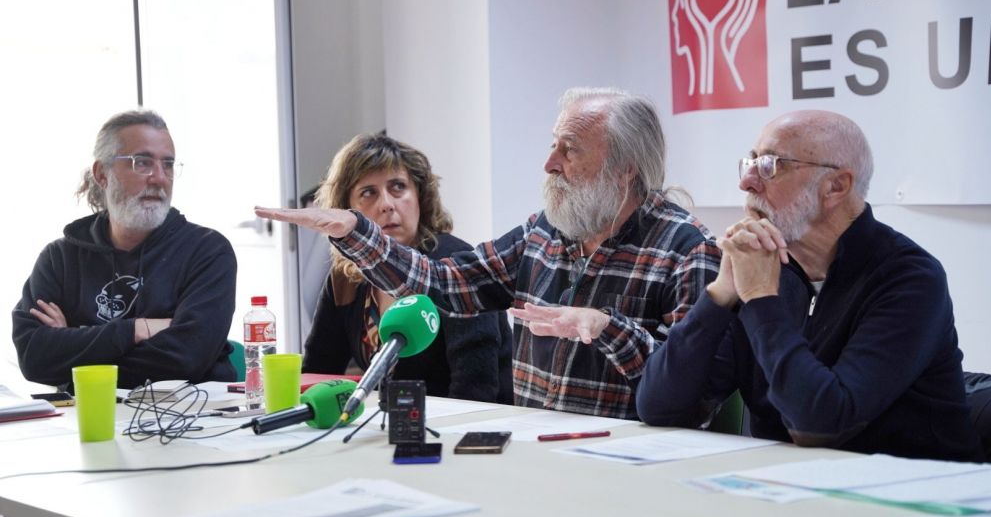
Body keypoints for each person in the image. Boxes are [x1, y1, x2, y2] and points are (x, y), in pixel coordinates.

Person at [257, 87, 720, 419]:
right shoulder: (545, 231)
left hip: (630, 465)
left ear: (623, 171)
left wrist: (606, 328)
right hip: (534, 453)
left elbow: (687, 396)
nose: (549, 163)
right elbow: (444, 285)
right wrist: (357, 233)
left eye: (569, 150)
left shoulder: (687, 251)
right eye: (552, 145)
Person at [636, 110, 984, 462]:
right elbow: (659, 408)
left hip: (912, 495)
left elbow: (821, 426)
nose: (748, 182)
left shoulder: (910, 278)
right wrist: (720, 295)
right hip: (789, 487)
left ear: (835, 187)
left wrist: (760, 299)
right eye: (751, 162)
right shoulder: (769, 269)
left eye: (772, 165)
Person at [12, 110, 238, 390]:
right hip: (87, 414)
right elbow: (35, 358)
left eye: (167, 164)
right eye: (142, 163)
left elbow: (186, 358)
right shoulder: (59, 258)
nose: (159, 178)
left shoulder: (208, 251)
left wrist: (75, 342)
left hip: (192, 416)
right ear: (102, 173)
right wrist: (137, 329)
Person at [303, 133, 513, 403]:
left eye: (398, 187)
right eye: (368, 192)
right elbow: (318, 372)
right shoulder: (347, 277)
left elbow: (476, 390)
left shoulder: (455, 265)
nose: (387, 204)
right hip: (390, 428)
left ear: (420, 197)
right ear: (346, 210)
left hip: (462, 430)